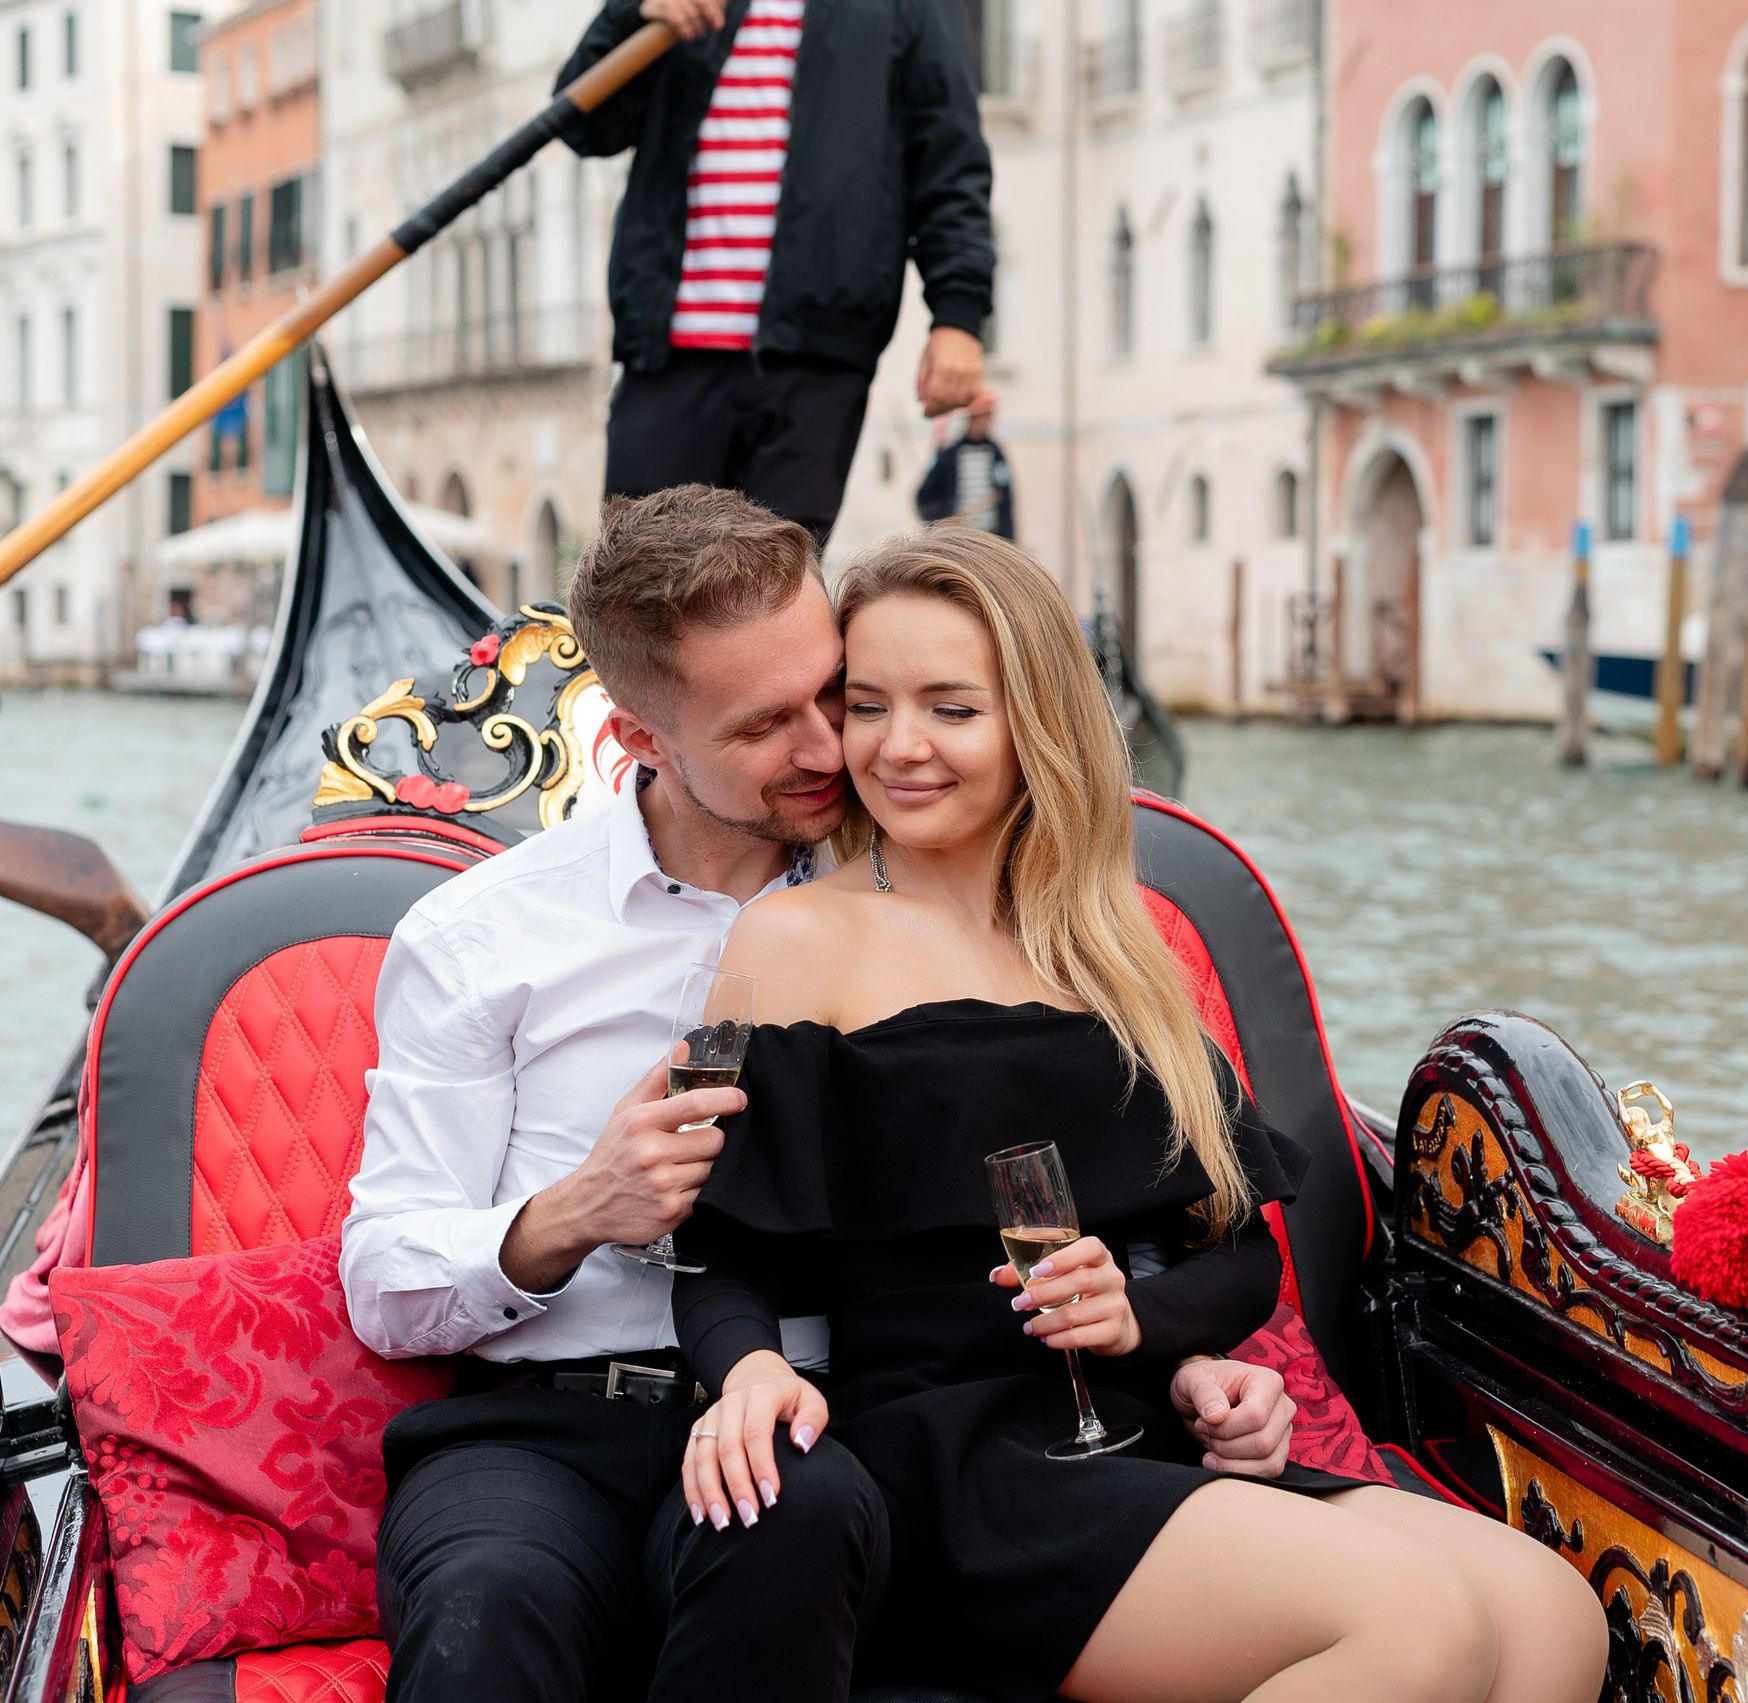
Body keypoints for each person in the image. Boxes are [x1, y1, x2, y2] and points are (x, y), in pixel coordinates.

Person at [340, 486, 1302, 1703]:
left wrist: (1168, 1345)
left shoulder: (937, 886)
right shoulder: (480, 936)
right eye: (763, 725)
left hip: (824, 1420)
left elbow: (1106, 1186)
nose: (829, 748)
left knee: (794, 1511)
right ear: (639, 739)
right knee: (494, 1604)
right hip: (554, 1425)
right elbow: (382, 1280)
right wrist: (576, 1209)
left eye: (832, 693)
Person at [673, 527, 1613, 1703]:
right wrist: (751, 1369)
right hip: (954, 1461)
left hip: (1140, 1426)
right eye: (867, 705)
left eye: (951, 709)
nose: (898, 744)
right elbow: (714, 1246)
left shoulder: (1115, 950)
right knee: (1420, 1623)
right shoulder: (788, 939)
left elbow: (1239, 1253)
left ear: (1038, 724)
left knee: (1549, 1617)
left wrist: (1144, 1324)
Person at [552, 0, 993, 545]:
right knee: (636, 576)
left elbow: (950, 159)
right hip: (666, 356)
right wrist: (633, 10)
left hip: (816, 358)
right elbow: (583, 123)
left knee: (778, 584)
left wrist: (958, 316)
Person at [913, 396, 1013, 538]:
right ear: (973, 418)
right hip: (961, 537)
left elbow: (1006, 498)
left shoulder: (996, 453)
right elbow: (924, 496)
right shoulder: (949, 455)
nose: (990, 422)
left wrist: (1010, 538)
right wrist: (937, 523)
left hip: (992, 536)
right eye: (986, 416)